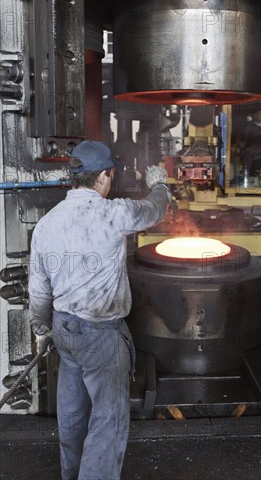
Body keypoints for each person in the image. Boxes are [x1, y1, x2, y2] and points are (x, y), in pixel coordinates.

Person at [29, 140, 171, 480]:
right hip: (100, 336)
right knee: (108, 421)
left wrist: (41, 325)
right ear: (105, 177)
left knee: (72, 414)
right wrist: (161, 184)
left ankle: (71, 474)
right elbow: (154, 210)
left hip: (64, 329)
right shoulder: (112, 213)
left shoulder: (47, 224)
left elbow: (38, 288)